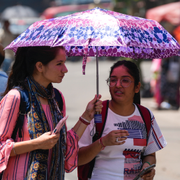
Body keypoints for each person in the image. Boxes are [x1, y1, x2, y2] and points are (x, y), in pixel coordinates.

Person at [0, 46, 102, 180]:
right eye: (59, 64)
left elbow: (64, 145)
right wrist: (37, 143)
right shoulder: (16, 97)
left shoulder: (57, 99)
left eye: (64, 63)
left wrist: (86, 116)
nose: (65, 69)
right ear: (40, 66)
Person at [78, 60, 167, 180]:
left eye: (125, 80)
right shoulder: (96, 113)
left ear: (137, 87)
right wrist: (102, 142)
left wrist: (148, 167)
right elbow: (77, 159)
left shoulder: (145, 115)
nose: (118, 85)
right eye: (113, 80)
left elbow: (150, 155)